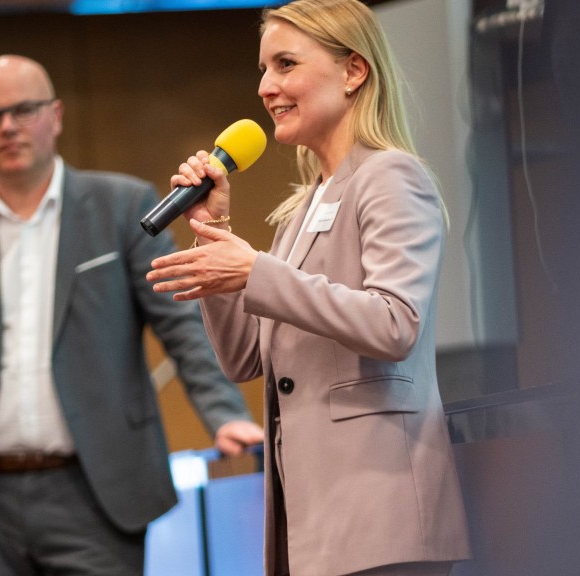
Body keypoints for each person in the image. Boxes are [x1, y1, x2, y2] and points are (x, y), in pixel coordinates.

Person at [146, 0, 471, 574]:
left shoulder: (391, 176)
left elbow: (396, 323)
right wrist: (214, 231)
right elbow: (244, 358)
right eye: (263, 70)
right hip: (314, 524)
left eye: (286, 64)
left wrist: (256, 272)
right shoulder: (303, 210)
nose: (266, 87)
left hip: (382, 516)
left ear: (353, 71)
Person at [0, 54, 264, 576]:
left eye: (23, 109)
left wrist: (224, 413)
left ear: (55, 116)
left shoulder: (121, 206)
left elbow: (180, 325)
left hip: (98, 494)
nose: (7, 126)